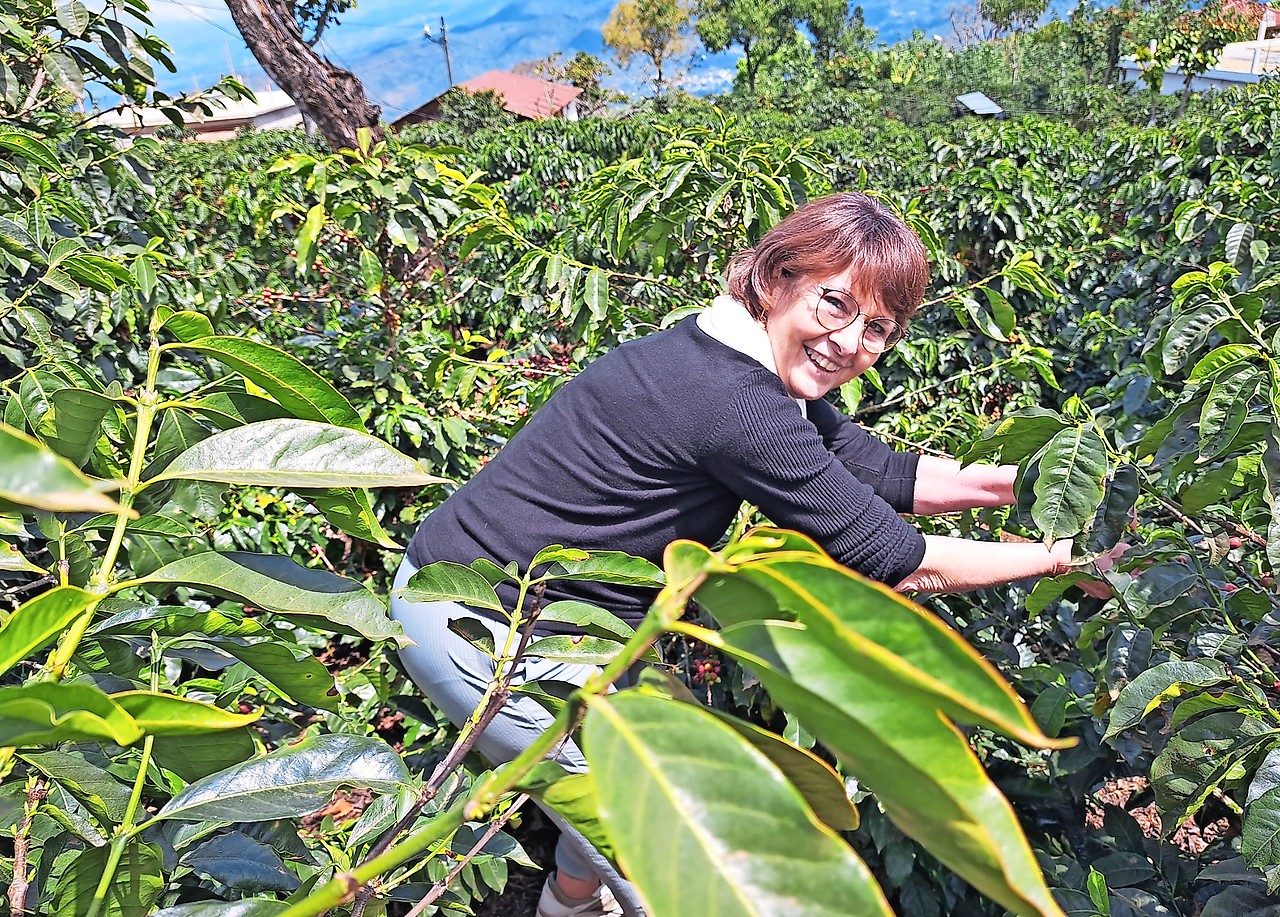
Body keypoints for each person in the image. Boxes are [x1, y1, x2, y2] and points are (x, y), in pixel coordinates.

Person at [389, 192, 1120, 917]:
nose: (849, 341)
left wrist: (1052, 484)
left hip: (567, 619)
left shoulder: (734, 356)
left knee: (656, 757)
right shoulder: (730, 399)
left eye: (878, 329)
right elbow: (895, 557)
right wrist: (1060, 561)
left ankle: (569, 903)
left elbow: (882, 471)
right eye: (835, 304)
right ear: (777, 282)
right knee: (675, 849)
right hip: (479, 619)